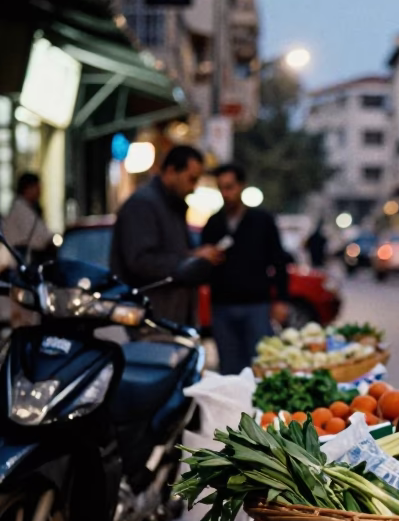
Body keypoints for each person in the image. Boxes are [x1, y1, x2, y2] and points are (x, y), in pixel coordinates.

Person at [110, 144, 223, 325]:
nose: (193, 188)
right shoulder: (144, 205)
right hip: (150, 317)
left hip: (169, 317)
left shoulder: (172, 205)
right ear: (171, 171)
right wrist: (191, 257)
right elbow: (141, 262)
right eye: (191, 179)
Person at [200, 162, 291, 374]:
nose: (226, 193)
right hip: (222, 306)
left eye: (230, 187)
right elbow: (203, 268)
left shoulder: (262, 220)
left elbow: (279, 261)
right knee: (230, 369)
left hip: (256, 305)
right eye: (221, 188)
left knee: (261, 367)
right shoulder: (213, 223)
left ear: (241, 186)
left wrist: (282, 300)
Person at [3, 173, 55, 264]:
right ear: (28, 188)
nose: (40, 192)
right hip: (16, 266)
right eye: (36, 188)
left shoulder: (25, 208)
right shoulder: (21, 209)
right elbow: (42, 239)